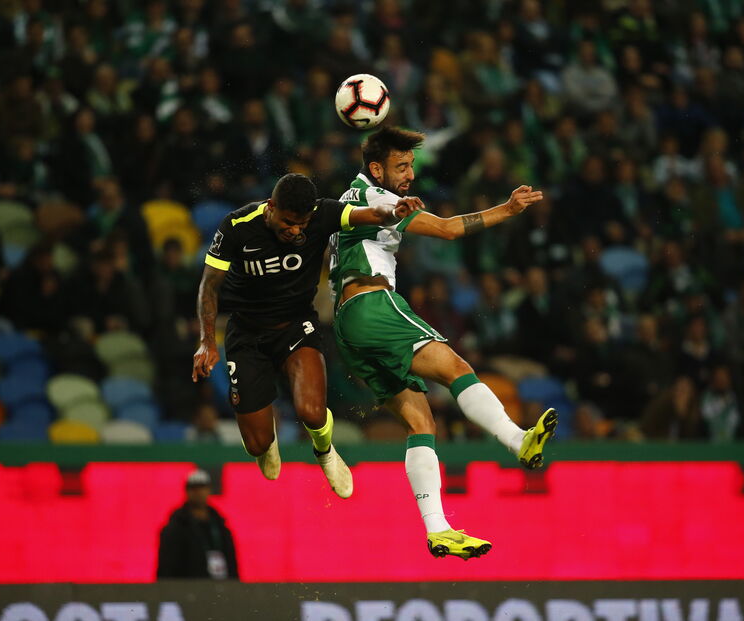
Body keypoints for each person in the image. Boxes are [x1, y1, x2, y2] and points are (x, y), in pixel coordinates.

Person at [329, 127, 553, 560]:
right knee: (456, 369)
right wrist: (507, 209)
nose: (409, 174)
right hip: (373, 305)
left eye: (411, 165)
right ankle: (516, 440)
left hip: (348, 324)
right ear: (376, 169)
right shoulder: (376, 199)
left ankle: (438, 530)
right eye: (401, 166)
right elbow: (448, 229)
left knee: (421, 423)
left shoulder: (353, 196)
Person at [191, 173, 422, 499]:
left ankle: (325, 451)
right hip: (248, 333)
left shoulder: (322, 213)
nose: (296, 231)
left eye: (302, 224)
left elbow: (367, 214)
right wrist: (206, 341)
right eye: (288, 222)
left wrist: (394, 209)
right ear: (270, 207)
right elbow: (209, 285)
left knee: (311, 413)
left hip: (296, 325)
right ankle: (268, 443)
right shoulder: (236, 226)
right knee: (257, 444)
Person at [157, 469, 238, 580]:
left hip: (220, 589)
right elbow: (167, 566)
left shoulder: (220, 526)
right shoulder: (175, 528)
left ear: (209, 490)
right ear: (187, 491)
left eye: (202, 487)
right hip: (186, 588)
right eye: (193, 488)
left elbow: (231, 562)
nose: (198, 492)